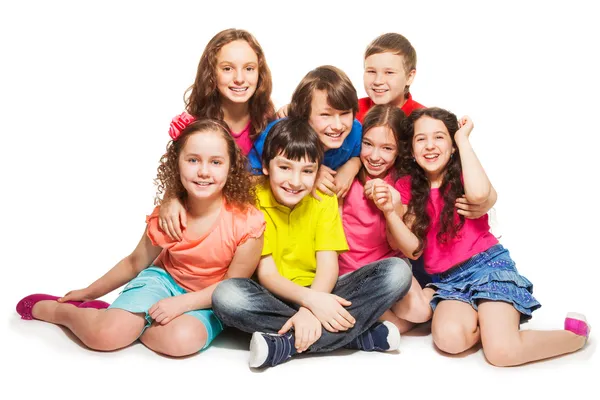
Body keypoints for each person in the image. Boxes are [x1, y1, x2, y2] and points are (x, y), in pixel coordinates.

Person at [16, 119, 265, 357]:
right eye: (192, 160)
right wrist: (89, 292)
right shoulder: (170, 215)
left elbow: (231, 288)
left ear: (231, 166)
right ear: (176, 163)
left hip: (209, 298)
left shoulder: (248, 223)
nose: (203, 171)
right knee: (105, 336)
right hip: (164, 281)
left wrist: (181, 304)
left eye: (216, 162)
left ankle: (128, 320)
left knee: (181, 341)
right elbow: (135, 263)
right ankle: (63, 312)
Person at [389, 107, 590, 366]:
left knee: (501, 353)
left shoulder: (463, 175)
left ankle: (574, 336)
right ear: (412, 151)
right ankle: (491, 323)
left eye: (439, 137)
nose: (430, 145)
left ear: (452, 147)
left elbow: (480, 195)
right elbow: (411, 246)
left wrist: (463, 140)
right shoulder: (405, 187)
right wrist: (389, 210)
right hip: (448, 283)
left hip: (486, 267)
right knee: (449, 340)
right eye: (421, 139)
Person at [212, 117, 412, 368]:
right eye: (285, 168)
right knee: (226, 295)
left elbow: (329, 267)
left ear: (317, 171)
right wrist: (310, 303)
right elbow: (268, 274)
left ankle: (284, 344)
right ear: (266, 166)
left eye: (307, 171)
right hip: (275, 295)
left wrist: (310, 309)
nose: (295, 181)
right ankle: (355, 337)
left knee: (397, 271)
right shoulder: (255, 200)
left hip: (325, 290)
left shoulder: (323, 198)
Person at [160, 28, 275, 240]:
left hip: (261, 234)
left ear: (259, 74)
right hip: (210, 234)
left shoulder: (271, 124)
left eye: (249, 68)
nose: (239, 78)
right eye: (228, 68)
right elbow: (180, 174)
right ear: (212, 73)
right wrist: (170, 199)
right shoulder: (197, 128)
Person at [339, 104, 433, 334]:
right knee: (394, 325)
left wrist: (392, 208)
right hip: (349, 274)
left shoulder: (403, 183)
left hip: (389, 271)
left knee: (421, 312)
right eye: (368, 144)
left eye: (387, 148)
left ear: (400, 151)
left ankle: (432, 292)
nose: (374, 156)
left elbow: (404, 247)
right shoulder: (346, 174)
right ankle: (382, 320)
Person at [250, 65, 363, 199]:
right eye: (326, 115)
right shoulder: (276, 136)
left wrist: (353, 166)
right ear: (304, 114)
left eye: (345, 113)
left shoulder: (354, 131)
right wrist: (310, 172)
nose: (338, 126)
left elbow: (362, 154)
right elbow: (249, 177)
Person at [356, 33, 424, 122]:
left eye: (389, 72)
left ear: (409, 77)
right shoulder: (350, 112)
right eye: (371, 71)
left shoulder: (424, 120)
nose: (378, 81)